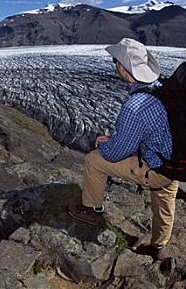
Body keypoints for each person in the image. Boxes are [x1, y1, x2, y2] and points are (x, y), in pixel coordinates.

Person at [68, 38, 177, 260]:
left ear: (123, 67)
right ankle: (159, 246)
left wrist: (106, 144)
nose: (114, 65)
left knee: (94, 160)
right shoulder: (165, 90)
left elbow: (115, 153)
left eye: (115, 61)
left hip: (154, 168)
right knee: (164, 201)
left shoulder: (135, 107)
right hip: (176, 163)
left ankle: (91, 209)